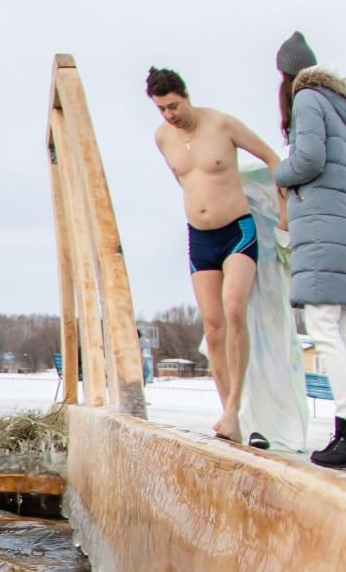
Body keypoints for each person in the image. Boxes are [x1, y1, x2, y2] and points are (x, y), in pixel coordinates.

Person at [147, 66, 284, 443]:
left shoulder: (222, 125)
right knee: (213, 326)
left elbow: (273, 159)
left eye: (173, 106)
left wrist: (285, 212)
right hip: (200, 239)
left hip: (237, 231)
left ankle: (235, 406)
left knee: (234, 309)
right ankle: (229, 418)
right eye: (162, 109)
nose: (170, 115)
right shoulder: (163, 138)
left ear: (186, 95)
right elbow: (185, 182)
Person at [271, 32, 346, 469]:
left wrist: (280, 173)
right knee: (341, 329)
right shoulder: (339, 104)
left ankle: (344, 426)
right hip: (340, 226)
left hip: (322, 228)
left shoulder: (306, 99)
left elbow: (310, 160)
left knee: (324, 328)